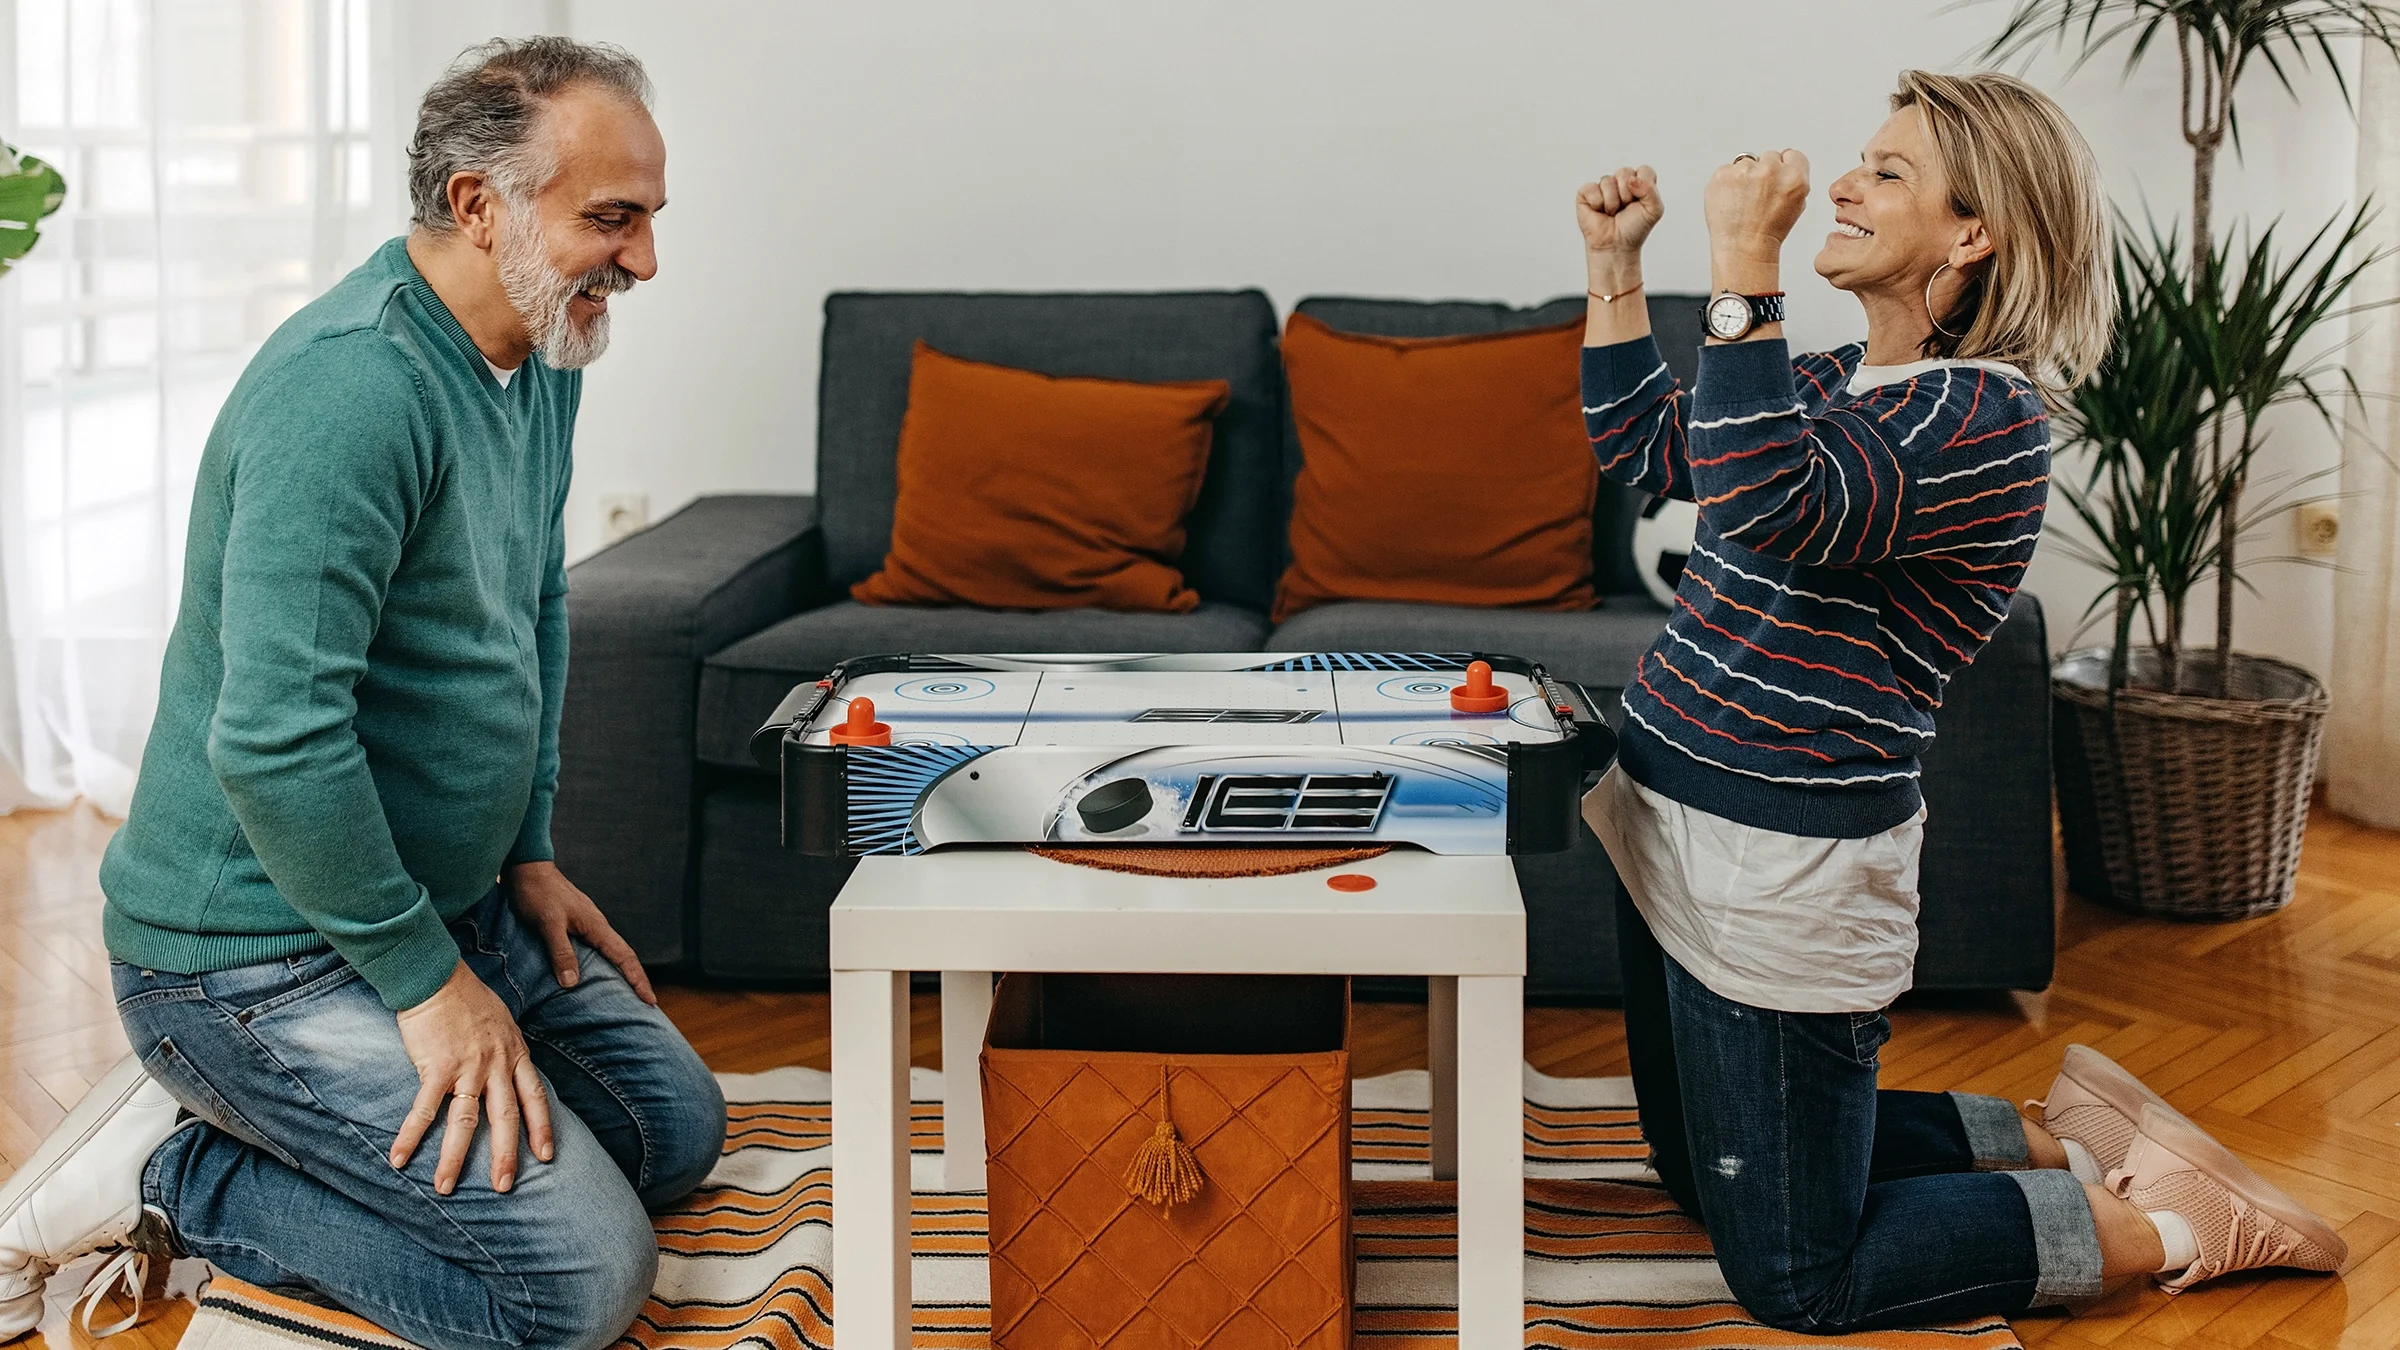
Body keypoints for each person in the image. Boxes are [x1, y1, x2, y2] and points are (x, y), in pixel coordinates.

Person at [1573, 70, 2347, 1331]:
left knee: (1798, 1274)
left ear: (1975, 233)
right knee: (1692, 1171)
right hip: (1669, 812)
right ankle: (2049, 1135)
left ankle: (2168, 1222)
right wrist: (1616, 269)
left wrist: (1741, 258)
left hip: (1779, 863)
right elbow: (1656, 451)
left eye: (1886, 172)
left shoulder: (1984, 419)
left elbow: (1769, 502)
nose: (1843, 182)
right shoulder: (1839, 375)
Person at [0, 37, 722, 1350]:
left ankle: (347, 1116)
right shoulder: (351, 392)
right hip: (250, 960)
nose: (645, 261)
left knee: (672, 1129)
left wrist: (529, 848)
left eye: (649, 217)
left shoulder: (542, 350)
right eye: (610, 219)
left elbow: (534, 602)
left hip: (448, 900)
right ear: (477, 205)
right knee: (572, 1287)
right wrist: (426, 984)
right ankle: (176, 1172)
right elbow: (274, 743)